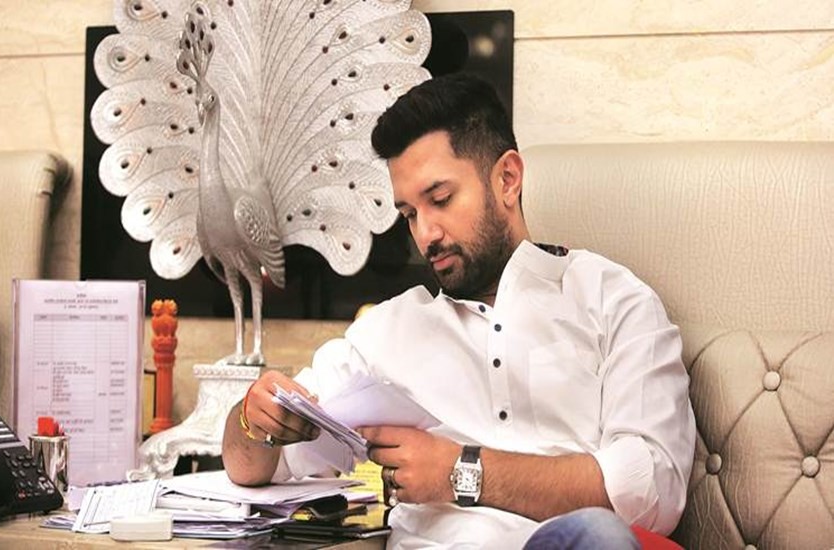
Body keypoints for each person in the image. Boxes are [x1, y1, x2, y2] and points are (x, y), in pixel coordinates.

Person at [222, 73, 695, 549]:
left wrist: (461, 471)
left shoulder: (613, 302)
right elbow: (252, 468)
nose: (425, 234)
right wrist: (252, 419)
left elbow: (654, 489)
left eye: (441, 200)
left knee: (598, 536)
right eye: (409, 214)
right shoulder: (390, 331)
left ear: (507, 179)